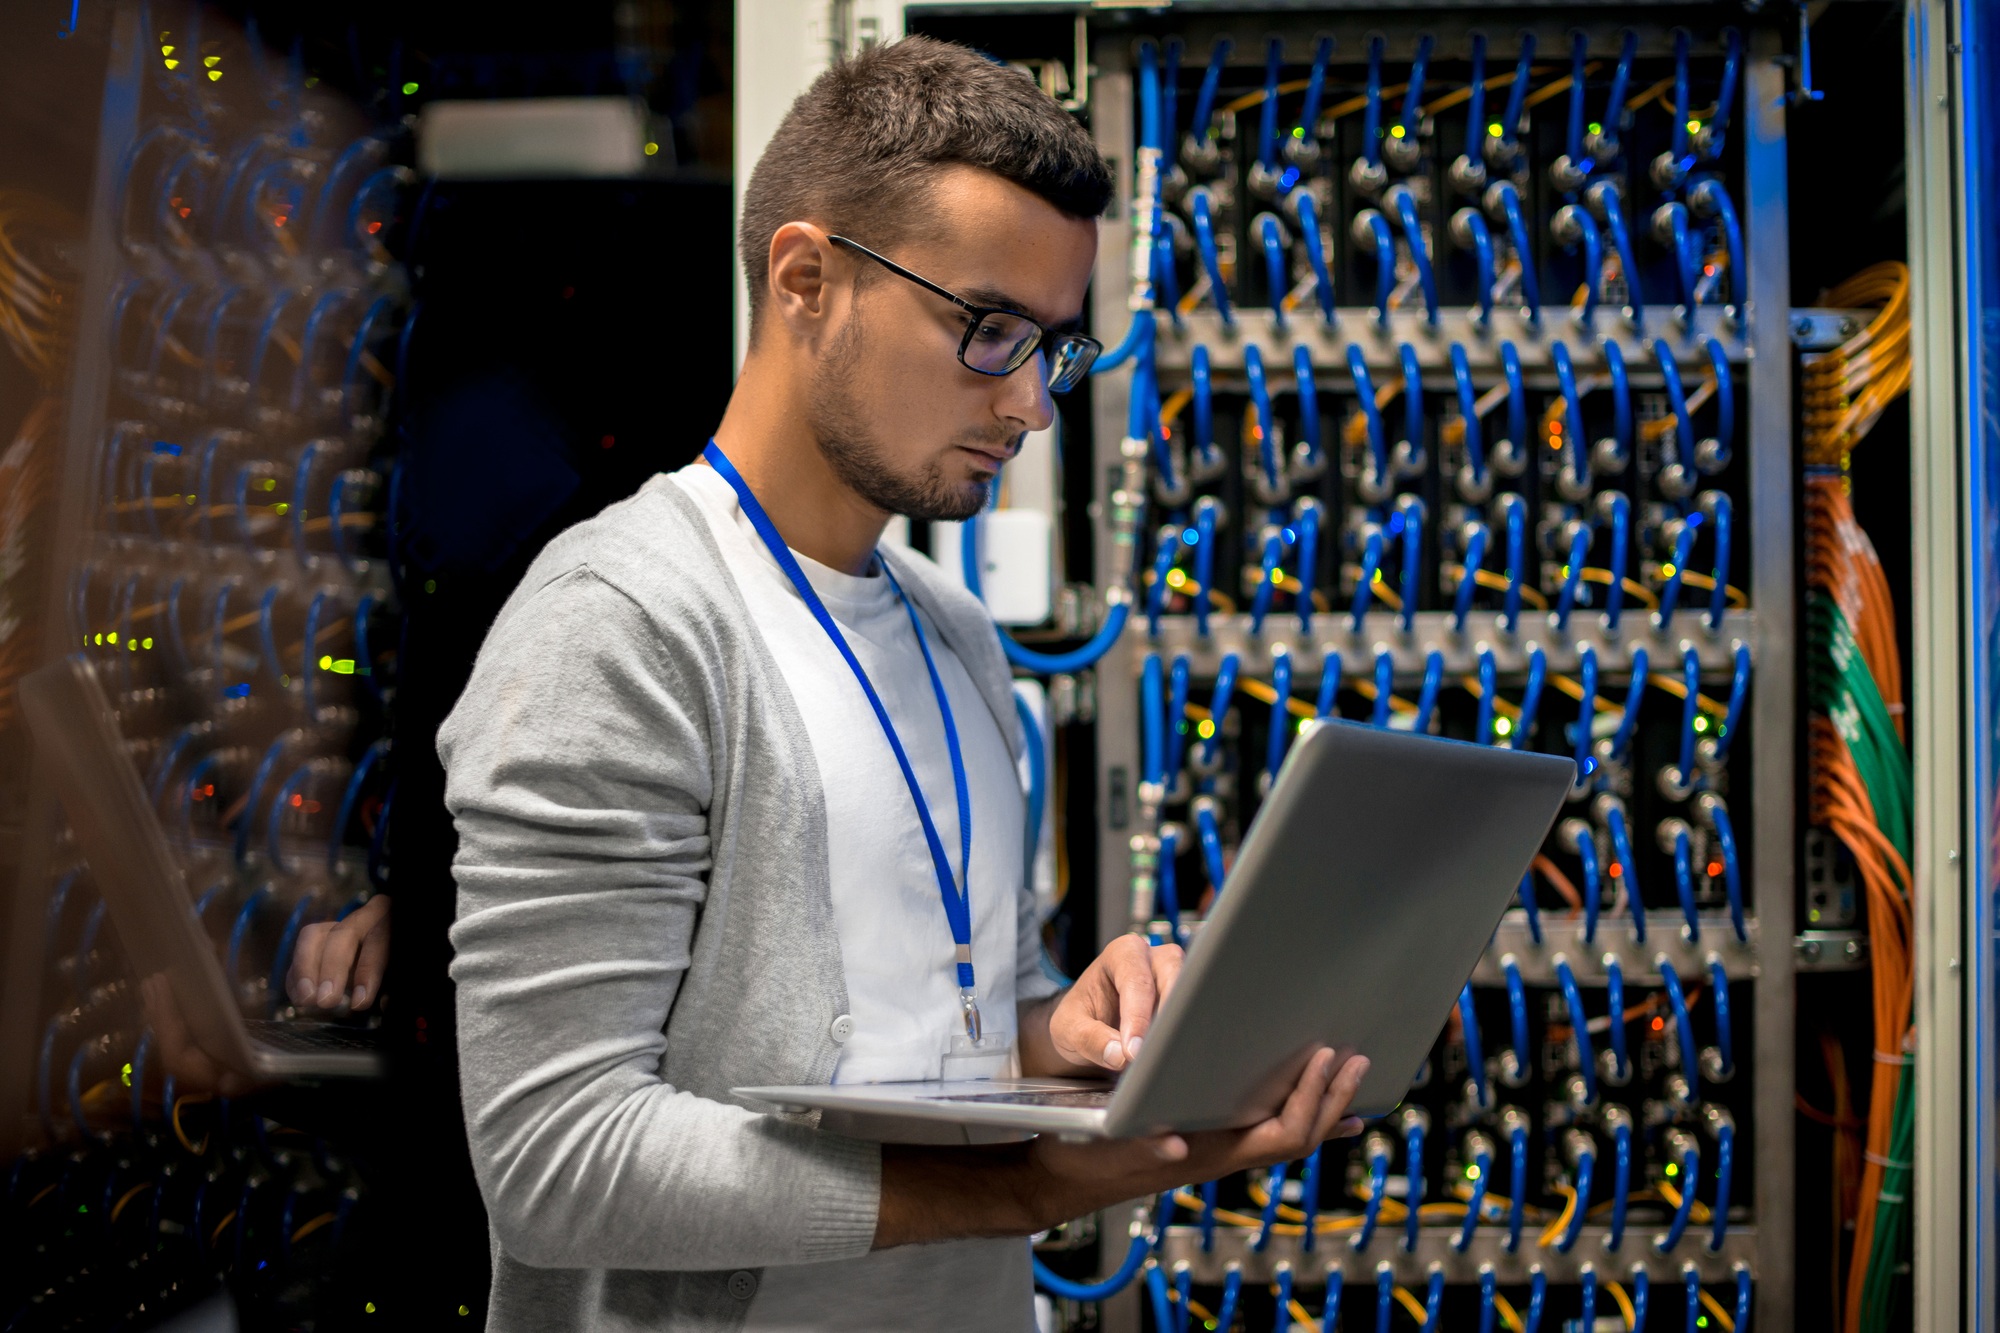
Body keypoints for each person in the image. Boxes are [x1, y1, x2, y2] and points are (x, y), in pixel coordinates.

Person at [437, 35, 1369, 1333]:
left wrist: (1074, 1031)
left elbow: (964, 1017)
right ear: (806, 277)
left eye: (1052, 346)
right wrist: (1017, 1187)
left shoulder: (956, 635)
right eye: (989, 331)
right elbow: (558, 1159)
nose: (1034, 403)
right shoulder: (622, 624)